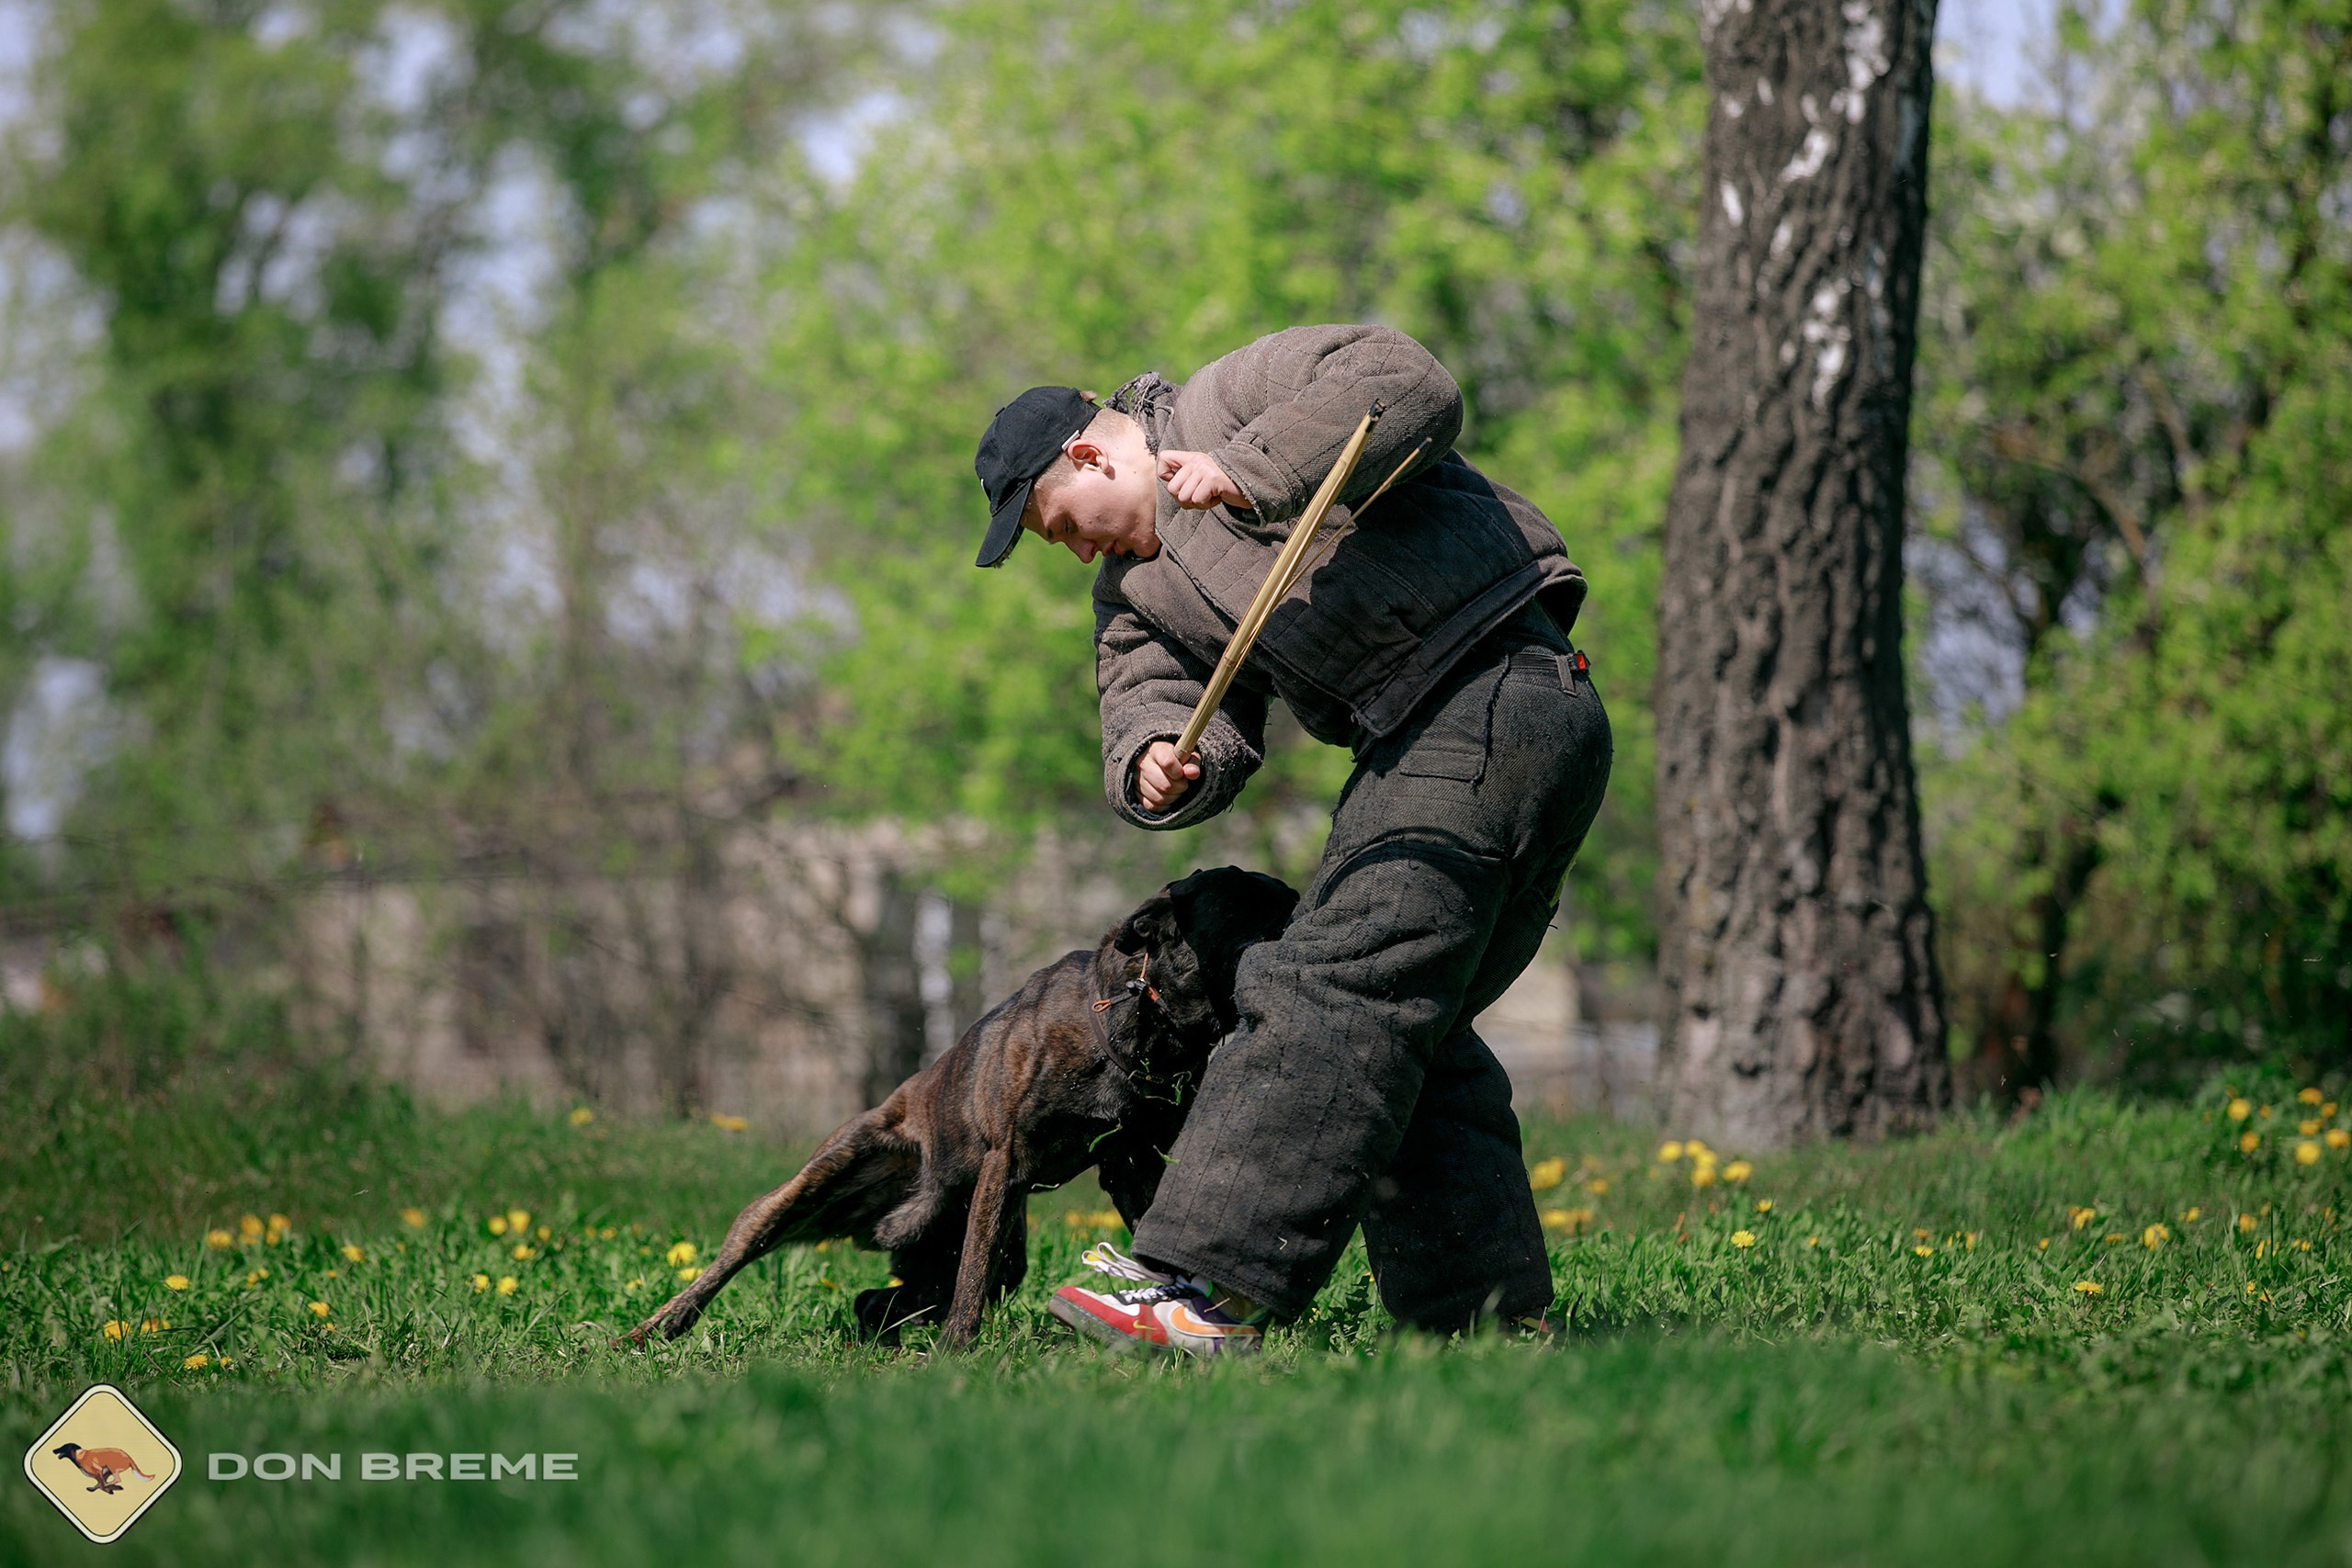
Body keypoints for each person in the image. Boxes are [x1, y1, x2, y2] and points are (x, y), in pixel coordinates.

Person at [970, 324, 1611, 1356]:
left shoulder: (1229, 401)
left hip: (1496, 684)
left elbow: (1409, 382)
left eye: (1060, 528)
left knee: (1329, 986)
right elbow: (1153, 704)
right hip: (1422, 740)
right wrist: (1153, 765)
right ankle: (1483, 1323)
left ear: (1087, 456)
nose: (1079, 551)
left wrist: (1244, 472)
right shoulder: (1132, 598)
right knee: (1404, 1022)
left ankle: (1204, 1287)